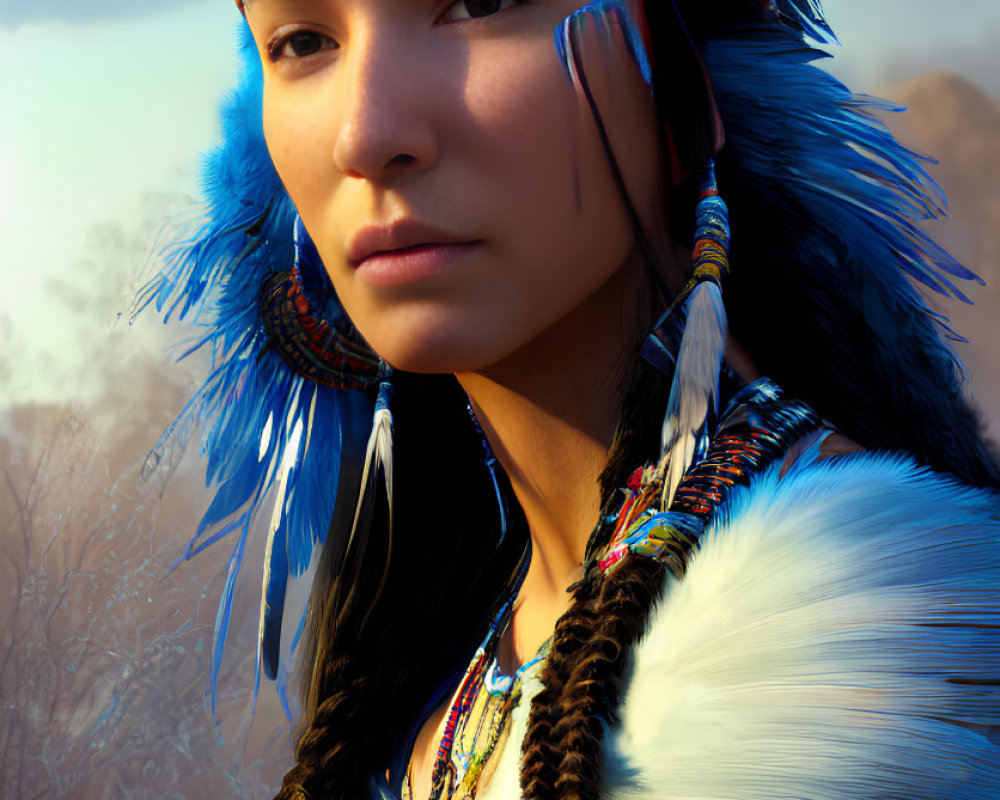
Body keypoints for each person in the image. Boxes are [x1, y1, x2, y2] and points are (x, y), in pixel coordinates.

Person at [136, 0, 1000, 798]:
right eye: (303, 41)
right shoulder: (472, 667)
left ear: (679, 73)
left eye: (479, 3)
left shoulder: (843, 635)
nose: (365, 134)